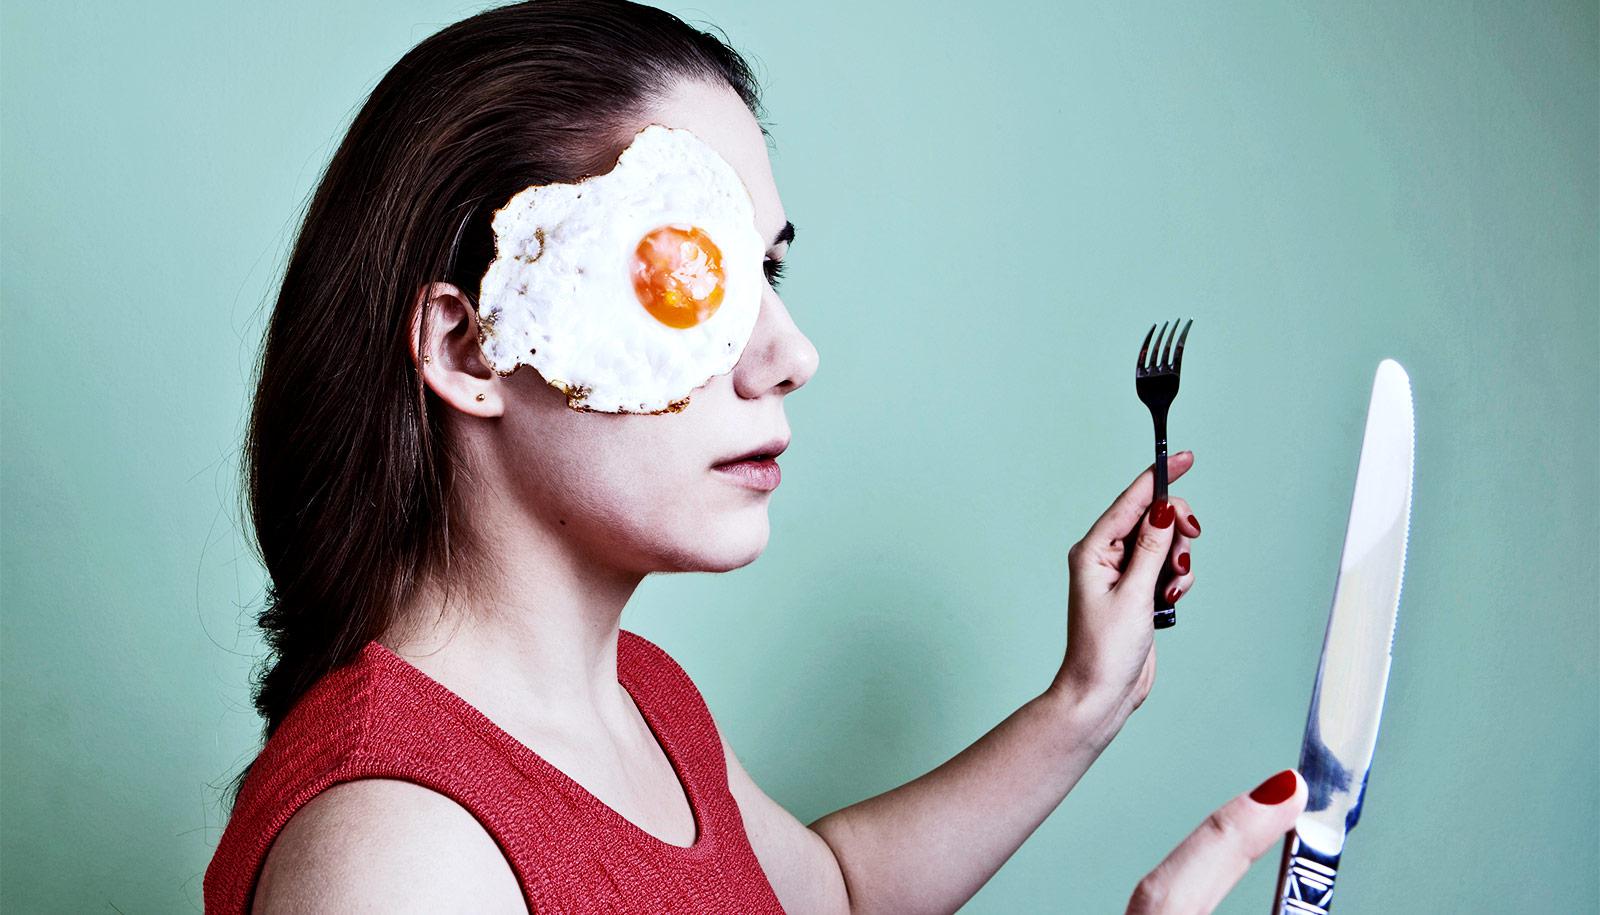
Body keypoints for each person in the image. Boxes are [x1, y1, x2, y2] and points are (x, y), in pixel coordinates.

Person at [203, 2, 1308, 912]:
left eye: (768, 273)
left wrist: (1085, 700)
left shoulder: (642, 701)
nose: (789, 354)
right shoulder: (398, 856)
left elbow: (828, 893)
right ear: (470, 346)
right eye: (694, 275)